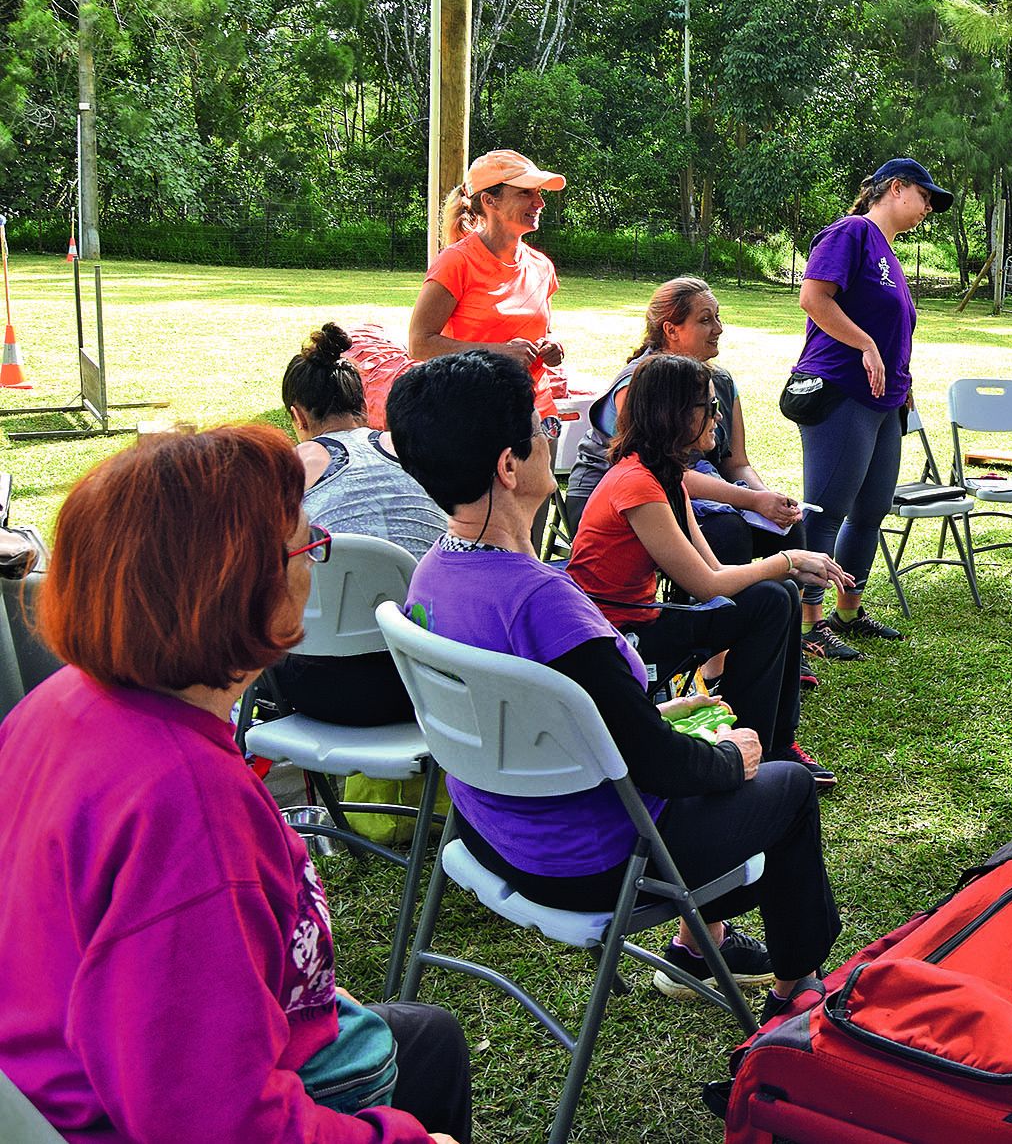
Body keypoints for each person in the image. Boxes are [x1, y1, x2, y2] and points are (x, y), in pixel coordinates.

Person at [0, 426, 472, 1143]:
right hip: (108, 1112)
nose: (313, 560)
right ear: (245, 587)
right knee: (426, 1057)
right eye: (306, 544)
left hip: (55, 1074)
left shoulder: (60, 702)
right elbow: (211, 1122)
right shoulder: (187, 806)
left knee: (428, 1035)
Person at [386, 350, 840, 1015]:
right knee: (786, 784)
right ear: (508, 466)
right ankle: (795, 995)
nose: (552, 437)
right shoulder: (545, 603)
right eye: (540, 428)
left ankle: (700, 943)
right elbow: (656, 762)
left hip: (491, 834)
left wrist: (663, 711)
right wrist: (730, 753)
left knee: (714, 739)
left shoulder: (429, 575)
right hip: (590, 860)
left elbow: (562, 712)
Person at [566, 352, 846, 792]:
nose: (718, 418)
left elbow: (713, 570)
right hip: (618, 634)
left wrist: (783, 570)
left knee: (776, 597)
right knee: (773, 598)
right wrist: (789, 562)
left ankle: (769, 743)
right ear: (674, 414)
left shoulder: (663, 474)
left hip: (639, 618)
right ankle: (754, 748)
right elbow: (705, 585)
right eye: (709, 407)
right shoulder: (637, 483)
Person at [789, 157, 951, 661]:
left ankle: (849, 612)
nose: (928, 208)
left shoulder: (891, 253)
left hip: (885, 401)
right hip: (841, 390)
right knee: (827, 506)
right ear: (896, 188)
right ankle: (808, 621)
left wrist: (901, 381)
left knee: (871, 509)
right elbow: (814, 298)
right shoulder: (852, 232)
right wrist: (865, 345)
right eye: (924, 196)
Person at [270, 321, 448, 726]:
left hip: (321, 687)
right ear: (364, 405)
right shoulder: (416, 452)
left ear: (297, 415)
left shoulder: (289, 472)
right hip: (432, 681)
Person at [566, 278, 804, 566]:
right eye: (705, 320)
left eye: (718, 317)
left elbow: (736, 463)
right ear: (671, 330)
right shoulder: (639, 385)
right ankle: (723, 607)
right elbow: (655, 471)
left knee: (788, 530)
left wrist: (768, 499)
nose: (718, 328)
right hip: (617, 500)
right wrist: (751, 501)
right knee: (728, 532)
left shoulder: (721, 383)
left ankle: (801, 610)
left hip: (686, 490)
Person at [409, 148, 568, 418]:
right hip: (471, 413)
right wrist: (499, 353)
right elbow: (419, 344)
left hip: (534, 412)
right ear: (490, 200)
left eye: (539, 193)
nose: (539, 203)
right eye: (525, 192)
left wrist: (552, 346)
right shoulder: (456, 262)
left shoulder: (542, 266)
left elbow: (544, 331)